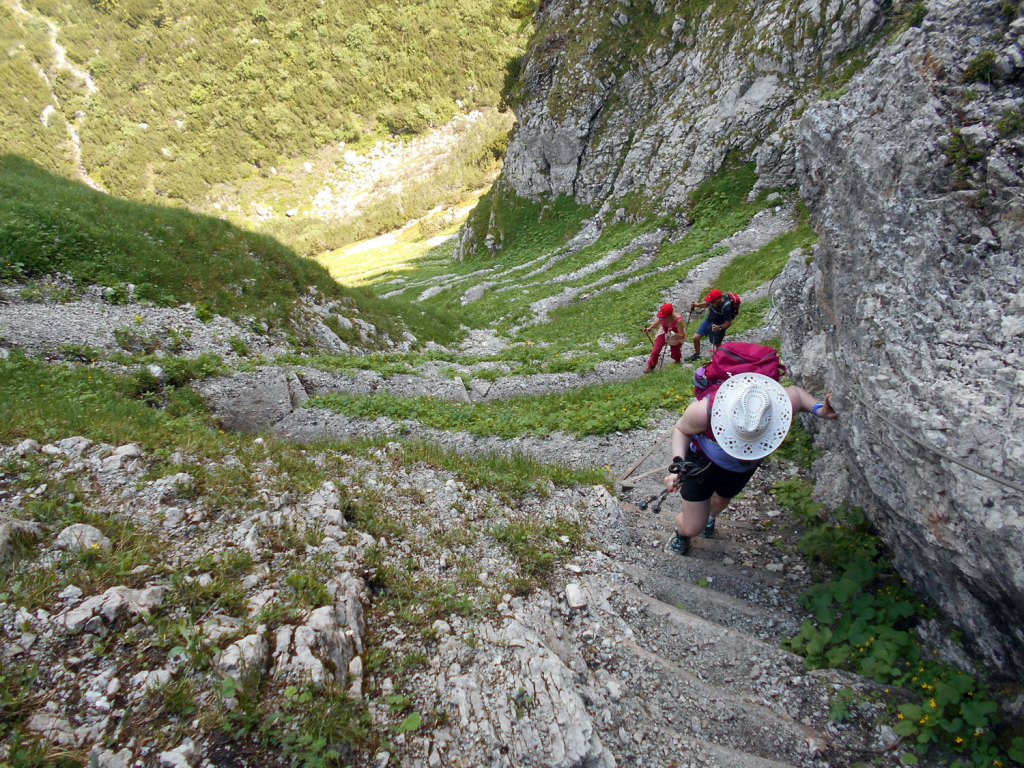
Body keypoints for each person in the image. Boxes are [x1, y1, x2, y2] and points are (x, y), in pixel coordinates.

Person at [662, 372, 838, 555]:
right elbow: (681, 429)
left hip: (739, 470)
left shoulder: (771, 405)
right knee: (692, 527)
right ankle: (682, 532)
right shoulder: (704, 410)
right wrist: (678, 466)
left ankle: (710, 518)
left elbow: (798, 395)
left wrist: (819, 410)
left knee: (723, 498)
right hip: (699, 465)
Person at [687, 288, 738, 361]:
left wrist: (719, 327)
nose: (711, 303)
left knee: (717, 344)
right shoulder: (713, 301)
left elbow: (728, 323)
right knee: (696, 338)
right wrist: (697, 305)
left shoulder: (726, 308)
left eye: (712, 302)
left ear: (718, 300)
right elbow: (707, 303)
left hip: (718, 324)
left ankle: (718, 359)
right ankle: (697, 354)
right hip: (709, 321)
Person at [643, 302, 687, 374]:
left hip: (675, 336)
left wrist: (672, 333)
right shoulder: (664, 316)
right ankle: (651, 365)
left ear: (669, 315)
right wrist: (650, 328)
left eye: (664, 317)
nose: (662, 318)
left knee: (675, 351)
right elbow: (659, 321)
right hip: (664, 332)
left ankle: (677, 361)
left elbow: (682, 335)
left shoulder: (678, 321)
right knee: (655, 351)